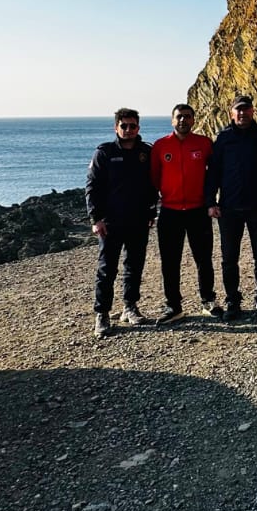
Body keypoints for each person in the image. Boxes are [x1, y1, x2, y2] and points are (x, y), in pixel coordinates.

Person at [85, 108, 157, 339]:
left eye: (132, 126)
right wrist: (95, 219)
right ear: (116, 127)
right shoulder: (104, 152)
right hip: (110, 222)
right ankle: (102, 314)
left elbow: (152, 185)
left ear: (138, 128)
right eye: (124, 126)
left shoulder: (146, 152)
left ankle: (130, 307)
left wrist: (150, 213)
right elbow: (92, 187)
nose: (128, 130)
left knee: (134, 266)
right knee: (107, 269)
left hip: (138, 220)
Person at [150, 104, 219, 324]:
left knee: (203, 259)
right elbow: (153, 178)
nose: (183, 120)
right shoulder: (161, 146)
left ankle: (208, 301)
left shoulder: (204, 144)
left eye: (187, 117)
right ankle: (173, 306)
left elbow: (214, 175)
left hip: (198, 211)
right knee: (170, 261)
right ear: (172, 120)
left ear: (193, 120)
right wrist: (155, 204)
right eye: (179, 117)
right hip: (170, 212)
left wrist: (211, 201)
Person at [205, 94, 257, 320]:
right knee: (229, 258)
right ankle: (232, 300)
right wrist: (211, 202)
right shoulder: (223, 138)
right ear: (231, 113)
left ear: (253, 111)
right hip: (229, 208)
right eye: (238, 110)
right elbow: (212, 172)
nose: (242, 113)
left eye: (246, 109)